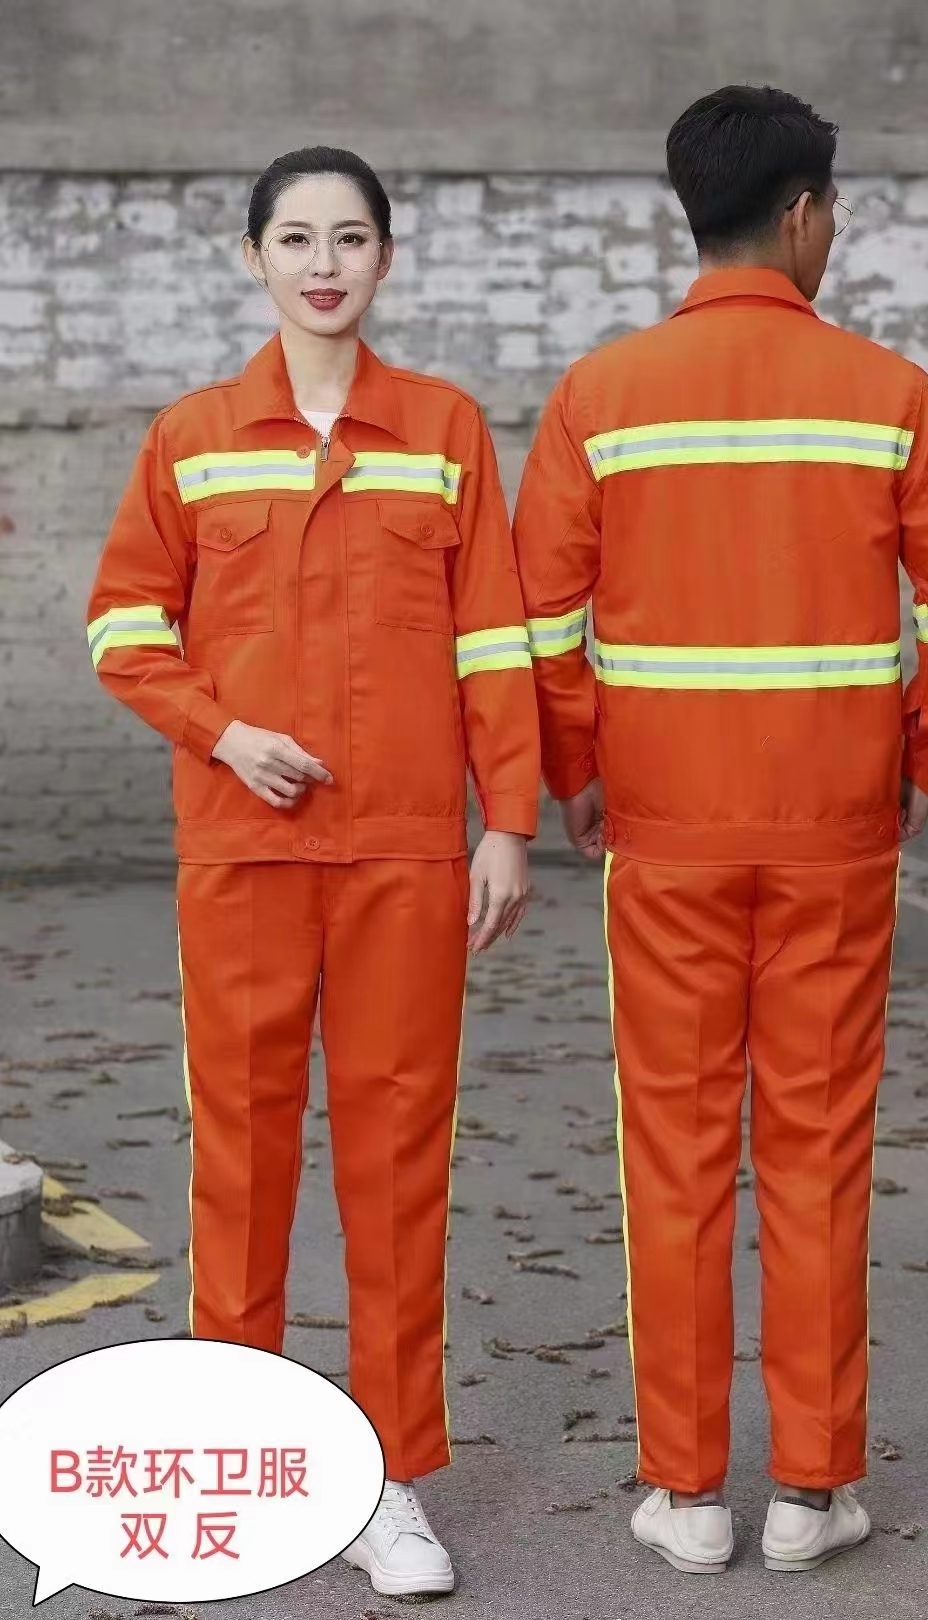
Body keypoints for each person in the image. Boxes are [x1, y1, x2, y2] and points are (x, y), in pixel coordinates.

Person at [512, 86, 928, 1575]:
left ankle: (685, 1493)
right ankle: (809, 1490)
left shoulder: (600, 397)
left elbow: (542, 618)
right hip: (836, 832)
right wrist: (915, 764)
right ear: (798, 214)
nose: (832, 230)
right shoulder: (890, 394)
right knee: (817, 1148)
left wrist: (578, 769)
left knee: (671, 1152)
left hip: (663, 832)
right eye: (832, 209)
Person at [86, 146, 540, 1600]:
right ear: (254, 258)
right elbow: (123, 628)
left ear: (385, 259)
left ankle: (387, 1479)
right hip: (244, 851)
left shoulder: (444, 431)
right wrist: (222, 733)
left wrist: (508, 819)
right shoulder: (194, 437)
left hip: (405, 848)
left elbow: (493, 636)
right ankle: (251, 1458)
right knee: (242, 1153)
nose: (323, 263)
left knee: (399, 1162)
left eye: (350, 238)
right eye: (296, 238)